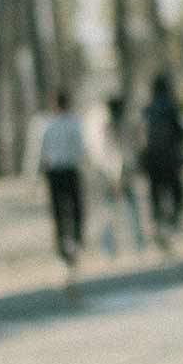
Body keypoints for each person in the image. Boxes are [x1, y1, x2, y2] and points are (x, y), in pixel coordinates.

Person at [34, 90, 85, 273]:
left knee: (64, 210)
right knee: (69, 209)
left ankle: (68, 244)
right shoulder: (68, 122)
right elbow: (80, 148)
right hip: (65, 170)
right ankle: (70, 244)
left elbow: (39, 152)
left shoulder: (48, 123)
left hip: (58, 170)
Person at [93, 95, 149, 258]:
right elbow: (109, 154)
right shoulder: (107, 128)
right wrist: (114, 175)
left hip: (121, 172)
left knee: (127, 210)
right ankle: (111, 247)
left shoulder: (123, 126)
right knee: (111, 211)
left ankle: (136, 244)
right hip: (111, 173)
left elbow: (128, 152)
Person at [138, 72, 183, 252]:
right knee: (178, 195)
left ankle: (159, 227)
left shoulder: (146, 110)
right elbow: (180, 133)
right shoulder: (171, 107)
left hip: (152, 161)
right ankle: (171, 224)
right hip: (170, 160)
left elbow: (140, 137)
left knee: (156, 197)